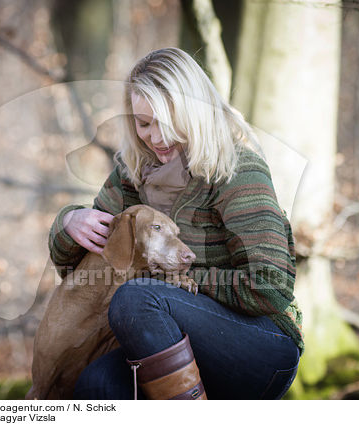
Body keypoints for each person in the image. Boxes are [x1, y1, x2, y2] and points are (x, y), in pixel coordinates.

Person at [48, 47, 303, 400]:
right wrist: (69, 222)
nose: (155, 137)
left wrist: (179, 278)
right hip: (171, 340)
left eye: (167, 122)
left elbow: (271, 287)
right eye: (144, 123)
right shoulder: (134, 173)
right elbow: (79, 271)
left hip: (261, 344)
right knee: (95, 384)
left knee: (134, 297)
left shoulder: (237, 170)